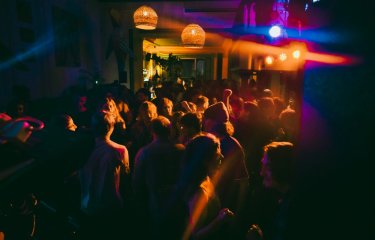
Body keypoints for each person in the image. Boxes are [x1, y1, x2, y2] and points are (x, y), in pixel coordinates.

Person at [79, 111, 130, 239]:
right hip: (111, 204)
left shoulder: (82, 149)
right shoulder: (120, 150)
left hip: (88, 205)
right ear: (111, 128)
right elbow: (126, 176)